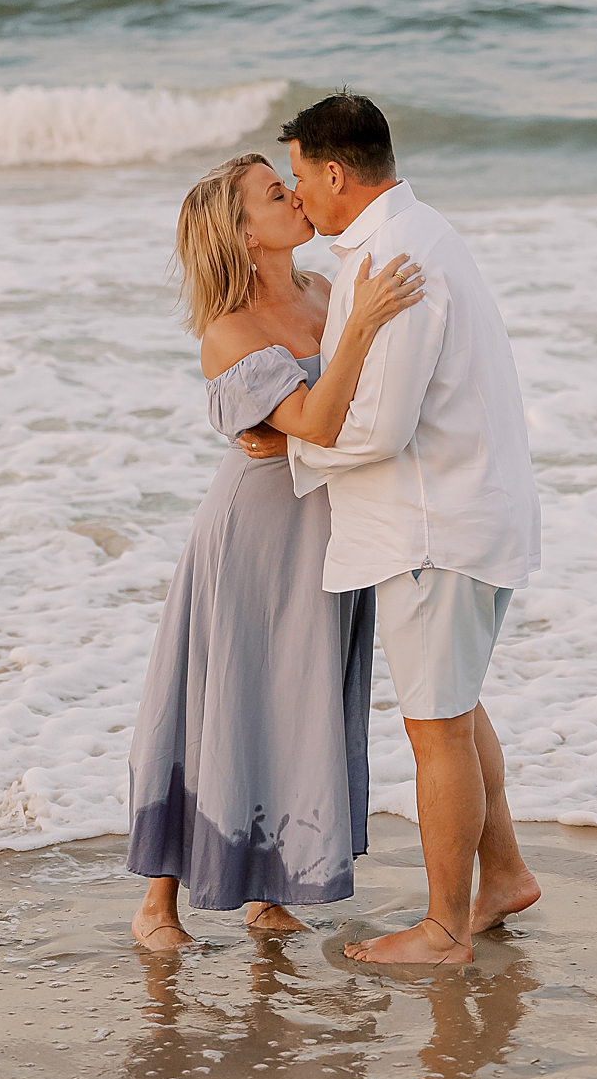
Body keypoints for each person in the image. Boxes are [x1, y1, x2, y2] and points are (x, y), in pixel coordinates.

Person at [128, 151, 427, 949]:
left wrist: (296, 413)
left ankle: (268, 892)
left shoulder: (324, 294)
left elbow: (345, 410)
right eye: (273, 193)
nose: (294, 196)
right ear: (244, 233)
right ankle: (157, 904)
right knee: (218, 695)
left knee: (293, 700)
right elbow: (324, 422)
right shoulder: (230, 331)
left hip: (327, 528)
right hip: (254, 535)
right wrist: (356, 335)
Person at [276, 92, 543, 967]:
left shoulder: (388, 256)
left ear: (336, 173)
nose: (297, 196)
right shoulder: (420, 233)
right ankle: (500, 876)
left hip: (434, 529)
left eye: (300, 178)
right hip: (472, 511)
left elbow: (379, 430)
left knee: (434, 728)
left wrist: (295, 450)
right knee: (456, 712)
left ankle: (443, 928)